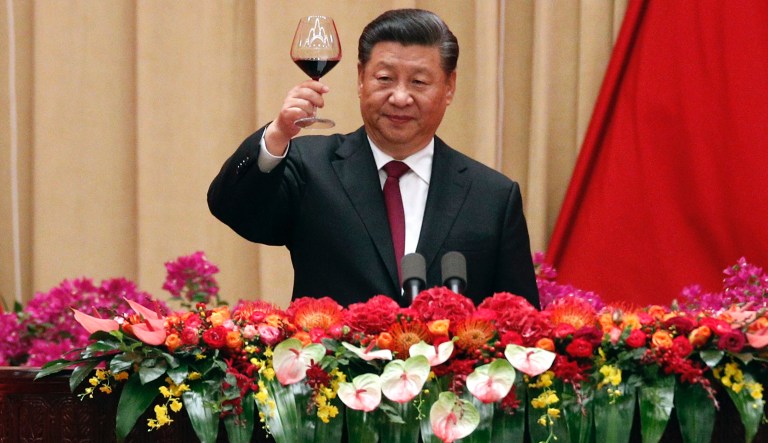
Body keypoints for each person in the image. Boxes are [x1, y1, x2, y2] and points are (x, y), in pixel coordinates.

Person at [208, 9, 539, 309]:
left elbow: (521, 322)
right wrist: (278, 134)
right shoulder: (310, 167)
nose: (399, 97)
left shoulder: (492, 196)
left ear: (449, 87)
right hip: (330, 373)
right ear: (360, 79)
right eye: (384, 79)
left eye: (419, 82)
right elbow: (231, 206)